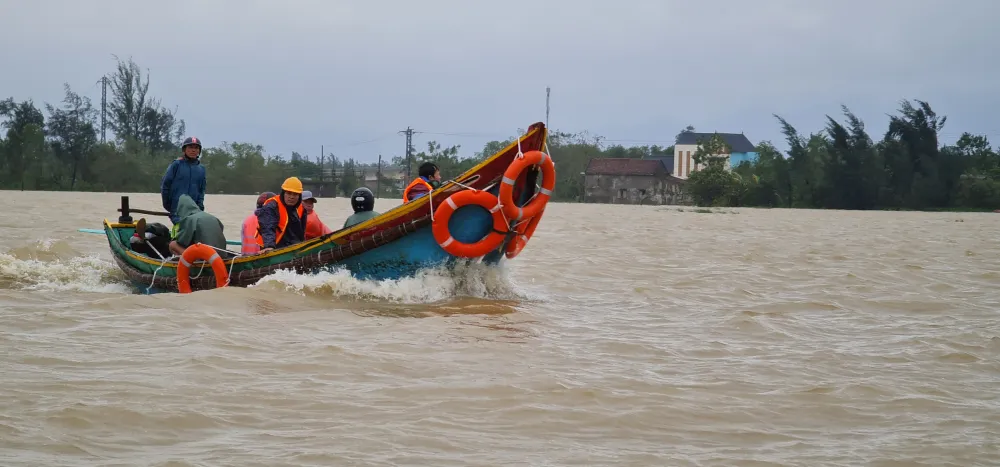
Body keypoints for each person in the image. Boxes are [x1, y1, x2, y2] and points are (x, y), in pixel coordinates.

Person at [161, 136, 207, 225]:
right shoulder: (176, 165)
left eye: (196, 148)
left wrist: (200, 207)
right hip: (177, 209)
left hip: (194, 211)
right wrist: (168, 205)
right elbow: (165, 185)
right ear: (184, 149)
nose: (193, 150)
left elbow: (202, 190)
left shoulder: (201, 169)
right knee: (180, 229)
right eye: (190, 147)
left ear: (199, 151)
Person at [256, 176, 309, 253]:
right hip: (273, 248)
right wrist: (269, 246)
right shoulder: (271, 206)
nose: (291, 197)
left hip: (293, 248)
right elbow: (267, 227)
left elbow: (301, 233)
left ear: (299, 196)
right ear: (283, 193)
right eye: (289, 193)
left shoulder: (302, 209)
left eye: (295, 194)